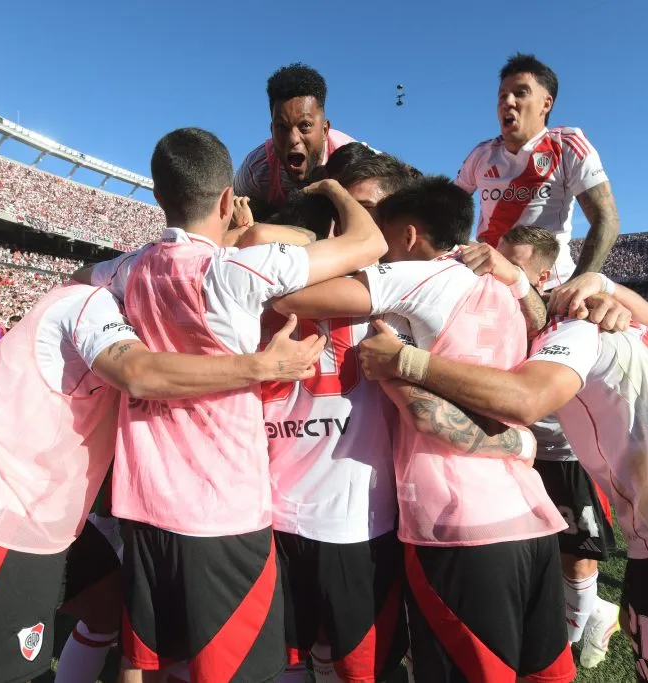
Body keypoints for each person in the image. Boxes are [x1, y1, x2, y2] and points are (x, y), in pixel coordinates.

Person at [357, 239, 648, 683]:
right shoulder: (618, 319)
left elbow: (527, 399)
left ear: (543, 283)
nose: (485, 271)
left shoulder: (573, 326)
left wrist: (405, 359)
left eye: (503, 268)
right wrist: (603, 283)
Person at [85, 128, 388, 683]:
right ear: (228, 199)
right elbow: (370, 245)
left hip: (143, 501)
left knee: (143, 659)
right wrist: (337, 193)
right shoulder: (235, 271)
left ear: (159, 198)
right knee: (234, 669)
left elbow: (80, 280)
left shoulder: (129, 269)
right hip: (221, 512)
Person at [0, 279, 325, 683]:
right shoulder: (88, 303)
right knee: (8, 675)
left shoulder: (118, 311)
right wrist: (263, 366)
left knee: (112, 609)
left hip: (51, 526)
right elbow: (137, 374)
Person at [272, 177, 576, 683]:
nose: (380, 250)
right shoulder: (505, 288)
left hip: (457, 525)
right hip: (530, 514)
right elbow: (539, 319)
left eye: (384, 235)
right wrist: (522, 283)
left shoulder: (414, 276)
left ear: (409, 237)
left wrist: (391, 367)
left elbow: (288, 297)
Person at [258, 150, 416, 683]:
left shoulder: (411, 286)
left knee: (350, 665)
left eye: (374, 210)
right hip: (278, 512)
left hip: (354, 518)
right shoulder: (277, 271)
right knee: (293, 658)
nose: (366, 225)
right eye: (356, 209)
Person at [495, 228, 623, 667]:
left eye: (515, 264)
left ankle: (568, 644)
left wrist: (606, 295)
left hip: (570, 457)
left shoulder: (572, 311)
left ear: (545, 274)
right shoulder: (491, 303)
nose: (501, 270)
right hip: (520, 452)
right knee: (536, 555)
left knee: (578, 557)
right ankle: (595, 613)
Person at [454, 52, 619, 292]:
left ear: (546, 103)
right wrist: (461, 244)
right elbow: (445, 210)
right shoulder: (481, 154)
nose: (507, 102)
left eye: (520, 93)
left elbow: (607, 219)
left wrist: (575, 287)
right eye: (502, 96)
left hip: (547, 286)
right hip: (491, 283)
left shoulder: (567, 144)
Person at [234, 64, 358, 218]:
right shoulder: (255, 169)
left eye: (305, 125)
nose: (293, 139)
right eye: (282, 127)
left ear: (325, 130)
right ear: (271, 130)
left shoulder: (354, 162)